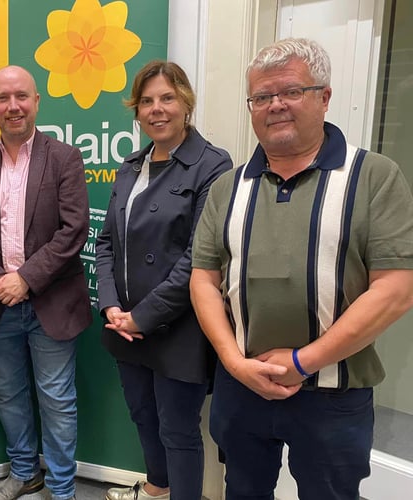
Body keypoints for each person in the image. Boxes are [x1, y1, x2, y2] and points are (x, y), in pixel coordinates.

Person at [190, 38, 413, 500]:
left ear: (324, 96)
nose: (275, 106)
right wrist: (233, 362)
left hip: (334, 393)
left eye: (291, 91)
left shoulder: (374, 176)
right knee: (243, 492)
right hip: (241, 386)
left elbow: (396, 289)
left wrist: (302, 362)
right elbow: (204, 280)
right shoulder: (227, 188)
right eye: (261, 97)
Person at [96, 60, 232, 500]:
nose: (157, 110)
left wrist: (143, 317)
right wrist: (112, 306)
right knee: (142, 416)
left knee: (178, 431)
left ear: (186, 103)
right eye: (147, 101)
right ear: (136, 111)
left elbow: (200, 259)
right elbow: (105, 244)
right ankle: (155, 490)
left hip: (179, 327)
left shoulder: (212, 165)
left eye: (167, 98)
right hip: (125, 326)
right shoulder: (130, 165)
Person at [0, 65, 91, 500]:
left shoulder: (64, 158)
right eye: (2, 98)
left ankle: (60, 487)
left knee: (57, 399)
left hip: (51, 303)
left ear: (37, 101)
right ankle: (23, 471)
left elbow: (73, 230)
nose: (12, 106)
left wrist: (25, 279)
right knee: (9, 395)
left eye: (21, 96)